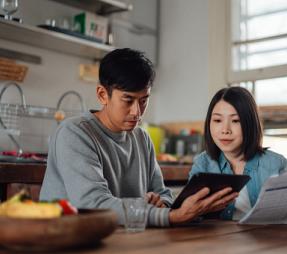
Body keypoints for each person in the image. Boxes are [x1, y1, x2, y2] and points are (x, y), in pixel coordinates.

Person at [40, 48, 238, 227]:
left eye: (144, 101)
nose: (137, 111)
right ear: (102, 95)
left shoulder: (141, 138)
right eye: (128, 100)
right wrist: (170, 216)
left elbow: (163, 194)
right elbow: (93, 204)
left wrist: (162, 203)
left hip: (122, 239)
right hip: (67, 239)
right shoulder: (74, 133)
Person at [189, 86, 287, 227]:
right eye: (217, 120)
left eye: (236, 121)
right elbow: (189, 214)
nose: (225, 130)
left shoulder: (277, 164)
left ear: (250, 124)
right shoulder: (202, 163)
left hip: (267, 243)